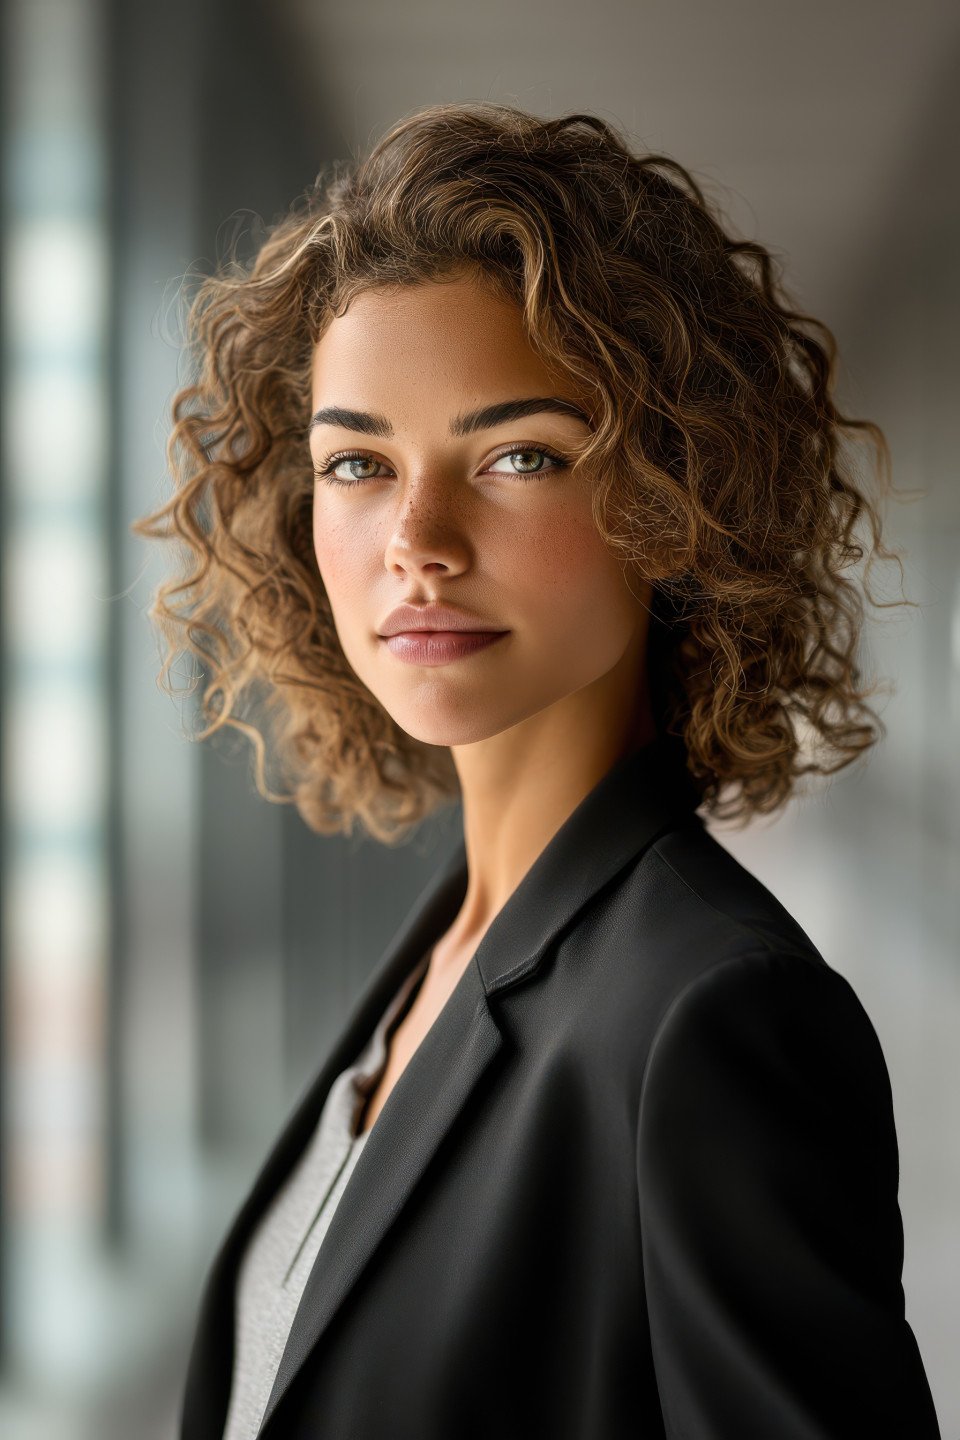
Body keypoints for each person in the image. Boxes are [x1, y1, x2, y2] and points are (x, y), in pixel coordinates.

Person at [132, 102, 942, 1439]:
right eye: (357, 464)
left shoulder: (713, 1016)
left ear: (671, 498)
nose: (418, 540)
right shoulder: (454, 948)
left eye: (518, 456)